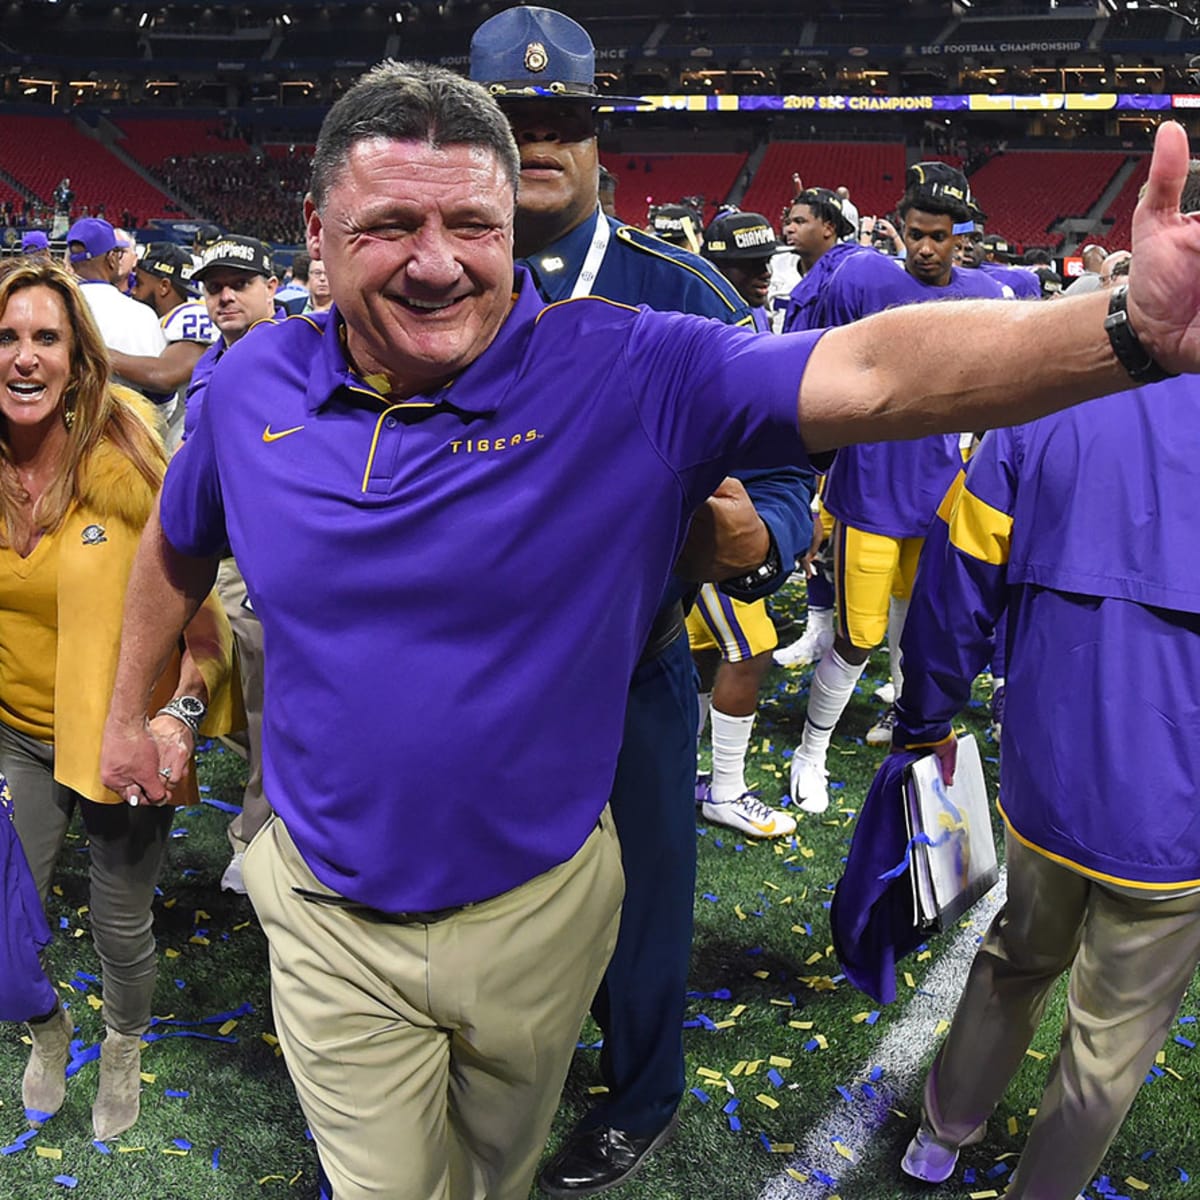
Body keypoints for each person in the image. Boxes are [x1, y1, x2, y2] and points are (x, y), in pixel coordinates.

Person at [97, 58, 1200, 1200]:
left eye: (472, 222)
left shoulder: (627, 362)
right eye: (390, 226)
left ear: (510, 225)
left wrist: (1125, 329)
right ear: (317, 234)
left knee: (497, 1167)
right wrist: (136, 710)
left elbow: (875, 372)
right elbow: (176, 545)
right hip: (327, 906)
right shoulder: (249, 387)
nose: (438, 261)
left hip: (544, 905)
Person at [472, 11, 814, 1190]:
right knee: (482, 893)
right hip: (474, 668)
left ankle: (643, 1091)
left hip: (631, 664)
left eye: (560, 120)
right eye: (511, 125)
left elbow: (784, 476)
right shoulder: (428, 284)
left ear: (597, 135)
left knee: (648, 895)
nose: (538, 143)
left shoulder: (682, 292)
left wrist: (751, 534)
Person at [888, 279, 1200, 1199]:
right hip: (1178, 818)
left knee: (1015, 955)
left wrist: (923, 719)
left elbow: (954, 585)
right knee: (1111, 1040)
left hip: (1046, 776)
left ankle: (938, 1139)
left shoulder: (1055, 403)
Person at [0, 259, 234, 1141]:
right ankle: (48, 1029)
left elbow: (201, 622)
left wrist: (174, 720)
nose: (24, 358)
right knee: (3, 917)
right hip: (15, 736)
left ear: (77, 357)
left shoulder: (129, 458)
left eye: (45, 338)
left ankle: (124, 1047)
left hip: (120, 736)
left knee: (121, 921)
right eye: (8, 337)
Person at [786, 162, 1006, 813]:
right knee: (856, 639)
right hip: (872, 493)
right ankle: (811, 750)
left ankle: (902, 733)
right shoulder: (860, 278)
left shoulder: (989, 296)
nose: (925, 248)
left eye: (938, 236)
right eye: (915, 233)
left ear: (960, 236)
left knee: (919, 635)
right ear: (900, 228)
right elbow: (819, 366)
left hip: (939, 497)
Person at [690, 207, 800, 840]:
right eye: (742, 266)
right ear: (714, 266)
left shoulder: (750, 316)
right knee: (749, 647)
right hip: (708, 515)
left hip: (754, 502)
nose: (758, 277)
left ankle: (692, 770)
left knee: (703, 656)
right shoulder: (698, 320)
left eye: (762, 264)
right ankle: (726, 789)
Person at [182, 234, 280, 893]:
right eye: (214, 285)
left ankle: (256, 836)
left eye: (239, 282)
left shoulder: (302, 354)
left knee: (266, 708)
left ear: (271, 286)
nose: (224, 294)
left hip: (269, 562)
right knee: (236, 706)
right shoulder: (209, 363)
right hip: (212, 560)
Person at [774, 187, 862, 672]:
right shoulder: (807, 275)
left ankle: (838, 628)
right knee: (816, 533)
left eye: (800, 220)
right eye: (788, 219)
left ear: (829, 227)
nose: (789, 227)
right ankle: (819, 624)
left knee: (827, 529)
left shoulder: (843, 276)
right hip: (809, 419)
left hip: (835, 424)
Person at [110, 243, 217, 452]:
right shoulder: (166, 319)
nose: (132, 290)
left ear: (164, 286)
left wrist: (96, 352)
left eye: (139, 283)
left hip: (188, 446)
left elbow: (164, 375)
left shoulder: (190, 315)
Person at [65, 218, 167, 396]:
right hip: (125, 419)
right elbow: (160, 398)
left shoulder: (54, 307)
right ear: (111, 258)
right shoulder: (140, 315)